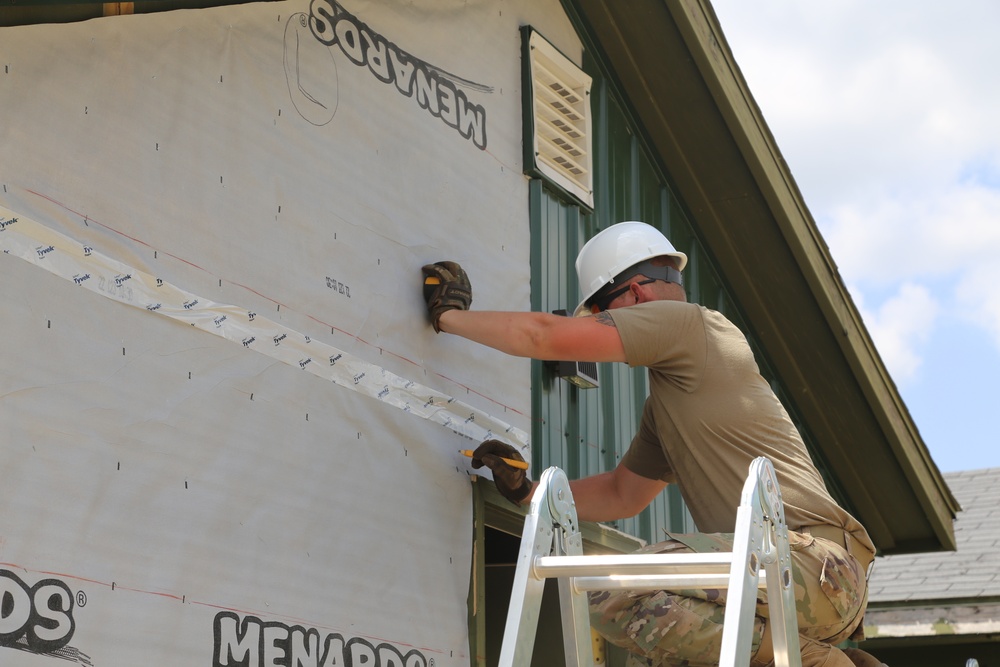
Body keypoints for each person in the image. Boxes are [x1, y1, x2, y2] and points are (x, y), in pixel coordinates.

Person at [421, 221, 885, 667]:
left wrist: (450, 316)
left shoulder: (688, 325)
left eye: (603, 312)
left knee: (613, 586)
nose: (601, 325)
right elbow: (623, 493)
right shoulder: (672, 401)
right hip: (798, 581)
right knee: (665, 644)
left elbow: (543, 335)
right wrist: (529, 493)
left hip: (808, 565)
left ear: (636, 294)